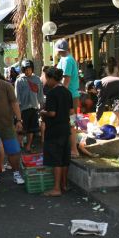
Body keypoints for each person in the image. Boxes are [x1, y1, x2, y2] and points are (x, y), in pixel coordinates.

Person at [40, 68, 74, 197]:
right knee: (64, 158)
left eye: (47, 78)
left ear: (52, 79)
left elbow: (52, 113)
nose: (46, 81)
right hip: (65, 128)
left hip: (54, 130)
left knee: (56, 159)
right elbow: (71, 111)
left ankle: (56, 188)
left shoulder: (52, 93)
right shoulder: (67, 92)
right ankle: (64, 185)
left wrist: (43, 112)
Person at [55, 38, 80, 158]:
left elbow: (66, 80)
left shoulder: (66, 60)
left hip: (69, 97)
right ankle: (71, 148)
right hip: (71, 96)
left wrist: (60, 95)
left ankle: (74, 150)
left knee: (70, 123)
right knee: (70, 123)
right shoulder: (67, 59)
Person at [15, 59, 44, 153]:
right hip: (23, 109)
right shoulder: (19, 81)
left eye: (29, 69)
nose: (28, 71)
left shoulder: (37, 79)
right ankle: (18, 146)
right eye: (26, 69)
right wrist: (17, 110)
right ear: (23, 70)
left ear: (32, 69)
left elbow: (40, 94)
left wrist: (41, 105)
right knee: (21, 130)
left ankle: (28, 146)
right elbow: (17, 96)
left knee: (31, 129)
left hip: (34, 108)